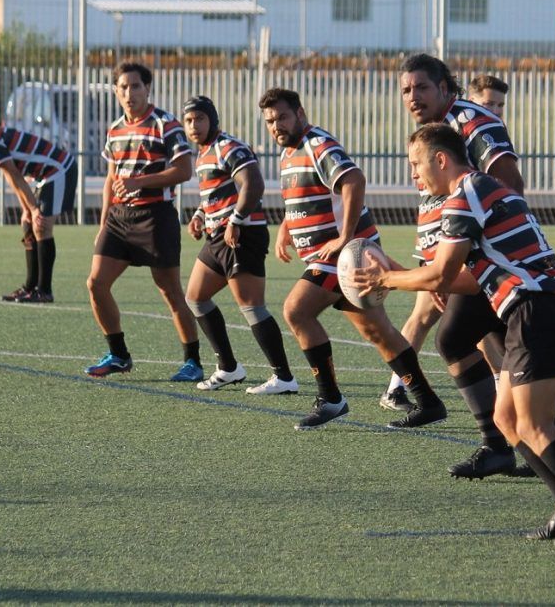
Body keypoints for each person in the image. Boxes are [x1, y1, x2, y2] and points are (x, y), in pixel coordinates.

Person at [354, 123, 555, 545]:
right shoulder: (482, 190)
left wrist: (386, 279)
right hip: (530, 311)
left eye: (416, 164)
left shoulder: (465, 195)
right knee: (507, 419)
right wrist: (399, 274)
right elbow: (466, 279)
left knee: (535, 424)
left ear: (440, 159)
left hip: (538, 311)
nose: (413, 174)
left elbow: (442, 274)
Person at [258, 87, 447, 430]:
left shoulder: (317, 144)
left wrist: (345, 237)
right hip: (332, 256)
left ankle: (330, 399)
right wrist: (287, 226)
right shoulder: (288, 153)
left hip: (346, 254)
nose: (276, 126)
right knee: (378, 331)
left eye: (282, 117)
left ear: (300, 113)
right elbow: (309, 194)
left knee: (296, 310)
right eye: (270, 121)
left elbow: (353, 180)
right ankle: (429, 402)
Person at [391, 54, 527, 479]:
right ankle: (519, 445)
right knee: (499, 349)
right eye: (406, 90)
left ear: (446, 88)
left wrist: (462, 259)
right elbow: (438, 204)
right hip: (468, 260)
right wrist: (438, 262)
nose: (413, 97)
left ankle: (508, 445)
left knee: (459, 340)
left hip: (492, 261)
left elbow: (510, 183)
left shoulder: (473, 120)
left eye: (421, 87)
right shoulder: (432, 133)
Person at [84, 61, 203, 382]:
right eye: (123, 87)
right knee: (96, 283)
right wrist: (103, 222)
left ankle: (193, 361)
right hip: (119, 219)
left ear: (147, 88)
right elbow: (111, 179)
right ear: (115, 91)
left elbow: (184, 170)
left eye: (135, 86)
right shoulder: (114, 129)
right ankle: (119, 355)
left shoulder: (166, 124)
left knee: (170, 291)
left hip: (156, 217)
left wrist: (140, 181)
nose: (129, 93)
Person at [182, 96, 298, 394]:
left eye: (200, 119)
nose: (194, 125)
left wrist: (235, 219)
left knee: (251, 306)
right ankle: (228, 368)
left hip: (242, 235)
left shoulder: (228, 147)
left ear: (213, 120)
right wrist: (199, 215)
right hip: (218, 237)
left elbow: (253, 184)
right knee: (196, 298)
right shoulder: (204, 153)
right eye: (189, 120)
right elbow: (217, 193)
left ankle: (284, 377)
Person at [0, 112, 77, 303]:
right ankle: (30, 287)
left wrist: (33, 209)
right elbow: (11, 176)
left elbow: (15, 175)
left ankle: (44, 290)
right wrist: (26, 209)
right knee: (28, 224)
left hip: (59, 169)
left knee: (41, 226)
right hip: (44, 175)